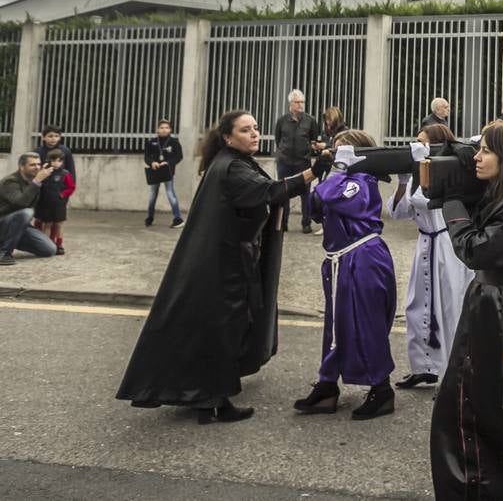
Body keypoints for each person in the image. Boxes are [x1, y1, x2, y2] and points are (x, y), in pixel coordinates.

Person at [117, 109, 325, 423]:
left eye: (255, 128)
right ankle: (213, 400)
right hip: (222, 265)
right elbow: (268, 192)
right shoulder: (232, 168)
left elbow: (265, 192)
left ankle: (207, 397)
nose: (254, 134)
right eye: (245, 130)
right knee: (224, 331)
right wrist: (312, 172)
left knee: (220, 330)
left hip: (222, 260)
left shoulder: (231, 162)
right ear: (228, 137)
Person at [430, 121, 503, 500]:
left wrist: (450, 204)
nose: (478, 157)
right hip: (493, 301)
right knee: (470, 399)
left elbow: (475, 250)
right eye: (478, 149)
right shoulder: (501, 194)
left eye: (487, 150)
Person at [293, 129, 398, 420]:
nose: (334, 154)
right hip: (340, 259)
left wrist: (337, 170)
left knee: (367, 323)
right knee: (336, 325)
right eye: (334, 149)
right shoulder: (340, 178)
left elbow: (334, 197)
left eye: (342, 150)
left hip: (363, 257)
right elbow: (316, 205)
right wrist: (326, 172)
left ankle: (382, 389)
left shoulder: (362, 180)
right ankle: (327, 385)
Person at [387, 123, 473, 390]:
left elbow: (431, 198)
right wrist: (403, 180)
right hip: (425, 243)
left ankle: (452, 372)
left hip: (446, 244)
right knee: (417, 307)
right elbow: (399, 213)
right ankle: (424, 366)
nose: (417, 146)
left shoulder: (447, 169)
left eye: (423, 142)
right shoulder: (417, 169)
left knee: (449, 307)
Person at [274, 89, 322, 234]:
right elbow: (278, 139)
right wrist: (283, 152)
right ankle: (283, 223)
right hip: (285, 162)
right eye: (297, 102)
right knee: (283, 192)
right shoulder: (282, 120)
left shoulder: (310, 121)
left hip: (303, 162)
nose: (301, 105)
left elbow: (314, 139)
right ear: (291, 103)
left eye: (302, 102)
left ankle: (306, 224)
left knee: (305, 193)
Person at [0, 153, 59, 265]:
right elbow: (20, 203)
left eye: (38, 164)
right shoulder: (10, 181)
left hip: (19, 225)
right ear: (22, 167)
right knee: (26, 212)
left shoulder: (34, 181)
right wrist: (37, 181)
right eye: (32, 165)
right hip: (3, 222)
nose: (37, 167)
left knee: (49, 249)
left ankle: (7, 241)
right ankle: (4, 253)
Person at [31, 149, 75, 255]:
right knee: (47, 224)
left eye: (59, 161)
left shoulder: (65, 174)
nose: (56, 163)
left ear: (62, 162)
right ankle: (46, 245)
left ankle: (59, 245)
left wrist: (62, 195)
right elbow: (36, 183)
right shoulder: (44, 172)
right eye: (54, 160)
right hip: (45, 202)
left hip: (58, 204)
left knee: (59, 224)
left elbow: (71, 187)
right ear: (48, 160)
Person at [144, 118, 185, 228]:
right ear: (157, 130)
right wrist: (152, 162)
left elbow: (179, 156)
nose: (164, 130)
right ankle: (150, 217)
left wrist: (168, 163)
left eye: (167, 128)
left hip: (168, 171)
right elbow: (146, 156)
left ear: (170, 130)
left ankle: (178, 219)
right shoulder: (151, 142)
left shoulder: (174, 142)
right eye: (161, 128)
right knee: (153, 194)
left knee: (170, 193)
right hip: (155, 171)